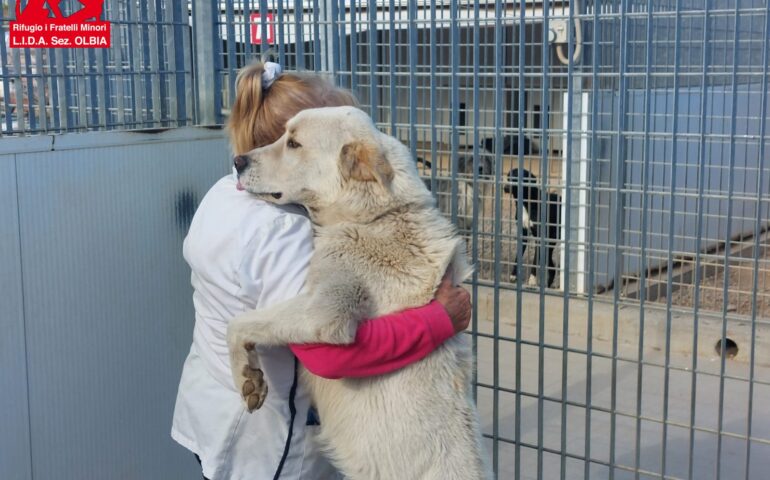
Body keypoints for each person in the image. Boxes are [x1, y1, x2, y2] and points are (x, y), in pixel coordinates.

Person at [171, 61, 472, 480]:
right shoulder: (287, 231)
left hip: (208, 411)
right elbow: (329, 351)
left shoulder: (223, 193)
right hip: (265, 445)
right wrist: (439, 319)